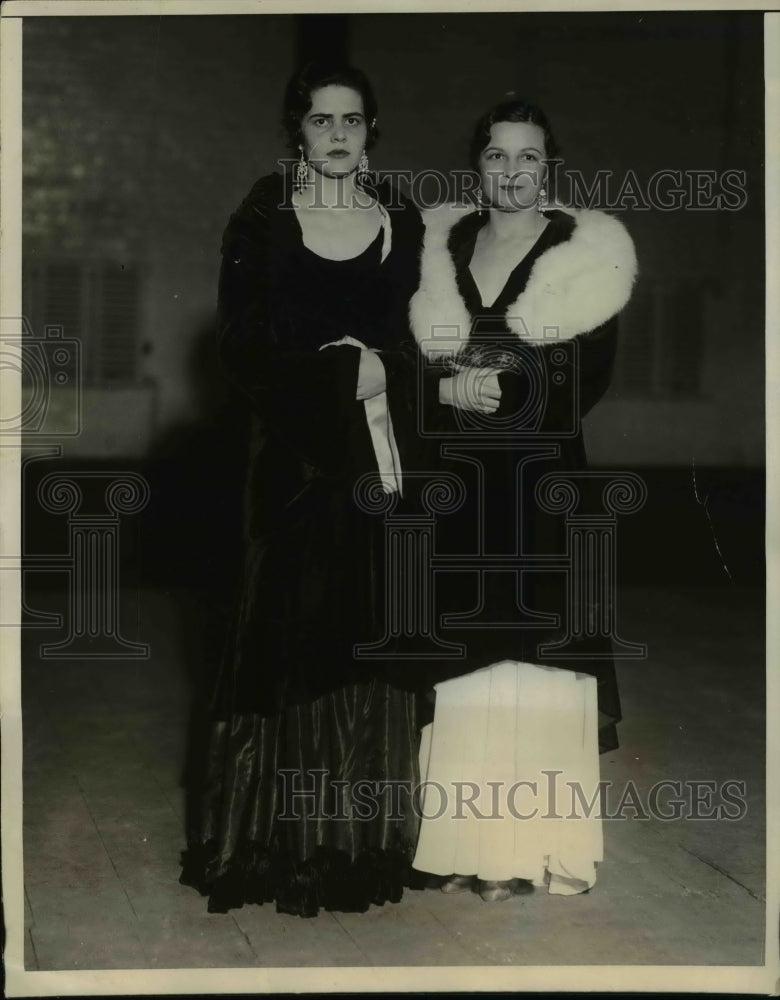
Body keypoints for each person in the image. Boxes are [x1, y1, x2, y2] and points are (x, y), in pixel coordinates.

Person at [179, 62, 427, 917]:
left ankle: (349, 847)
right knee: (283, 640)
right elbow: (242, 346)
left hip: (371, 456)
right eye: (320, 121)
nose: (336, 136)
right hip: (285, 458)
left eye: (351, 121)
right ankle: (266, 843)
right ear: (298, 132)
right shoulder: (262, 216)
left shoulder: (399, 215)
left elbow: (409, 339)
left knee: (361, 638)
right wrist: (338, 380)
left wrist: (379, 371)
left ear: (371, 132)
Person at [408, 99, 637, 901]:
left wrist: (498, 384)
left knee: (529, 655)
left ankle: (519, 854)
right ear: (478, 165)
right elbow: (406, 349)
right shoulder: (442, 241)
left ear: (552, 167)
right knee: (458, 655)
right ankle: (453, 845)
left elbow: (590, 376)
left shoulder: (586, 249)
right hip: (455, 481)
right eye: (498, 157)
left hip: (539, 479)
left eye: (529, 158)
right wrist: (446, 385)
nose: (512, 173)